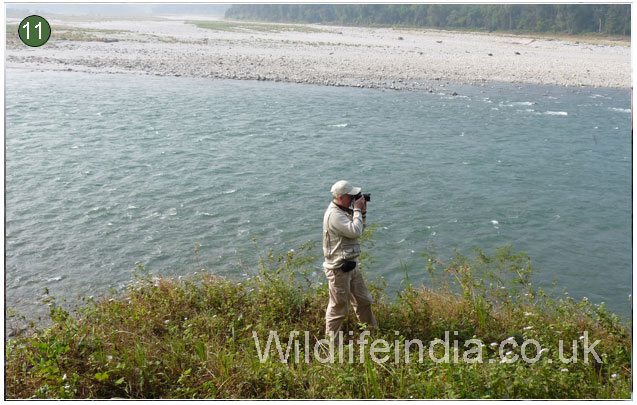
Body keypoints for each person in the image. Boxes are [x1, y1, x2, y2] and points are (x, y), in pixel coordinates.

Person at [322, 180, 378, 338]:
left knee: (364, 301)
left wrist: (362, 213)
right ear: (340, 197)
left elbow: (359, 228)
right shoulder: (335, 215)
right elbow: (355, 232)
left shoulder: (343, 210)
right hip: (338, 269)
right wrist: (358, 210)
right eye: (351, 196)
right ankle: (331, 345)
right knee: (338, 308)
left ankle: (371, 336)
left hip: (351, 266)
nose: (354, 199)